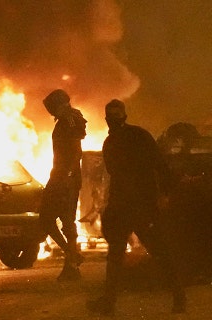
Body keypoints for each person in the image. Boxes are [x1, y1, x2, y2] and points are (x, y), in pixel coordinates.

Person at [86, 99, 186, 315]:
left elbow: (115, 172)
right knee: (161, 252)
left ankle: (109, 303)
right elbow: (161, 165)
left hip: (126, 207)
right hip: (143, 206)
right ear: (125, 117)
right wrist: (166, 194)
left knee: (115, 257)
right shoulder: (141, 136)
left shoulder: (111, 143)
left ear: (107, 120)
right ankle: (179, 299)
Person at [40, 89, 87, 281]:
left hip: (65, 177)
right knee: (52, 218)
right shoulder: (70, 119)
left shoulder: (69, 121)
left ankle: (71, 264)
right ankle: (72, 257)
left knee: (61, 219)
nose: (51, 113)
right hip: (61, 176)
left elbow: (76, 151)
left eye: (52, 108)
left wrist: (67, 175)